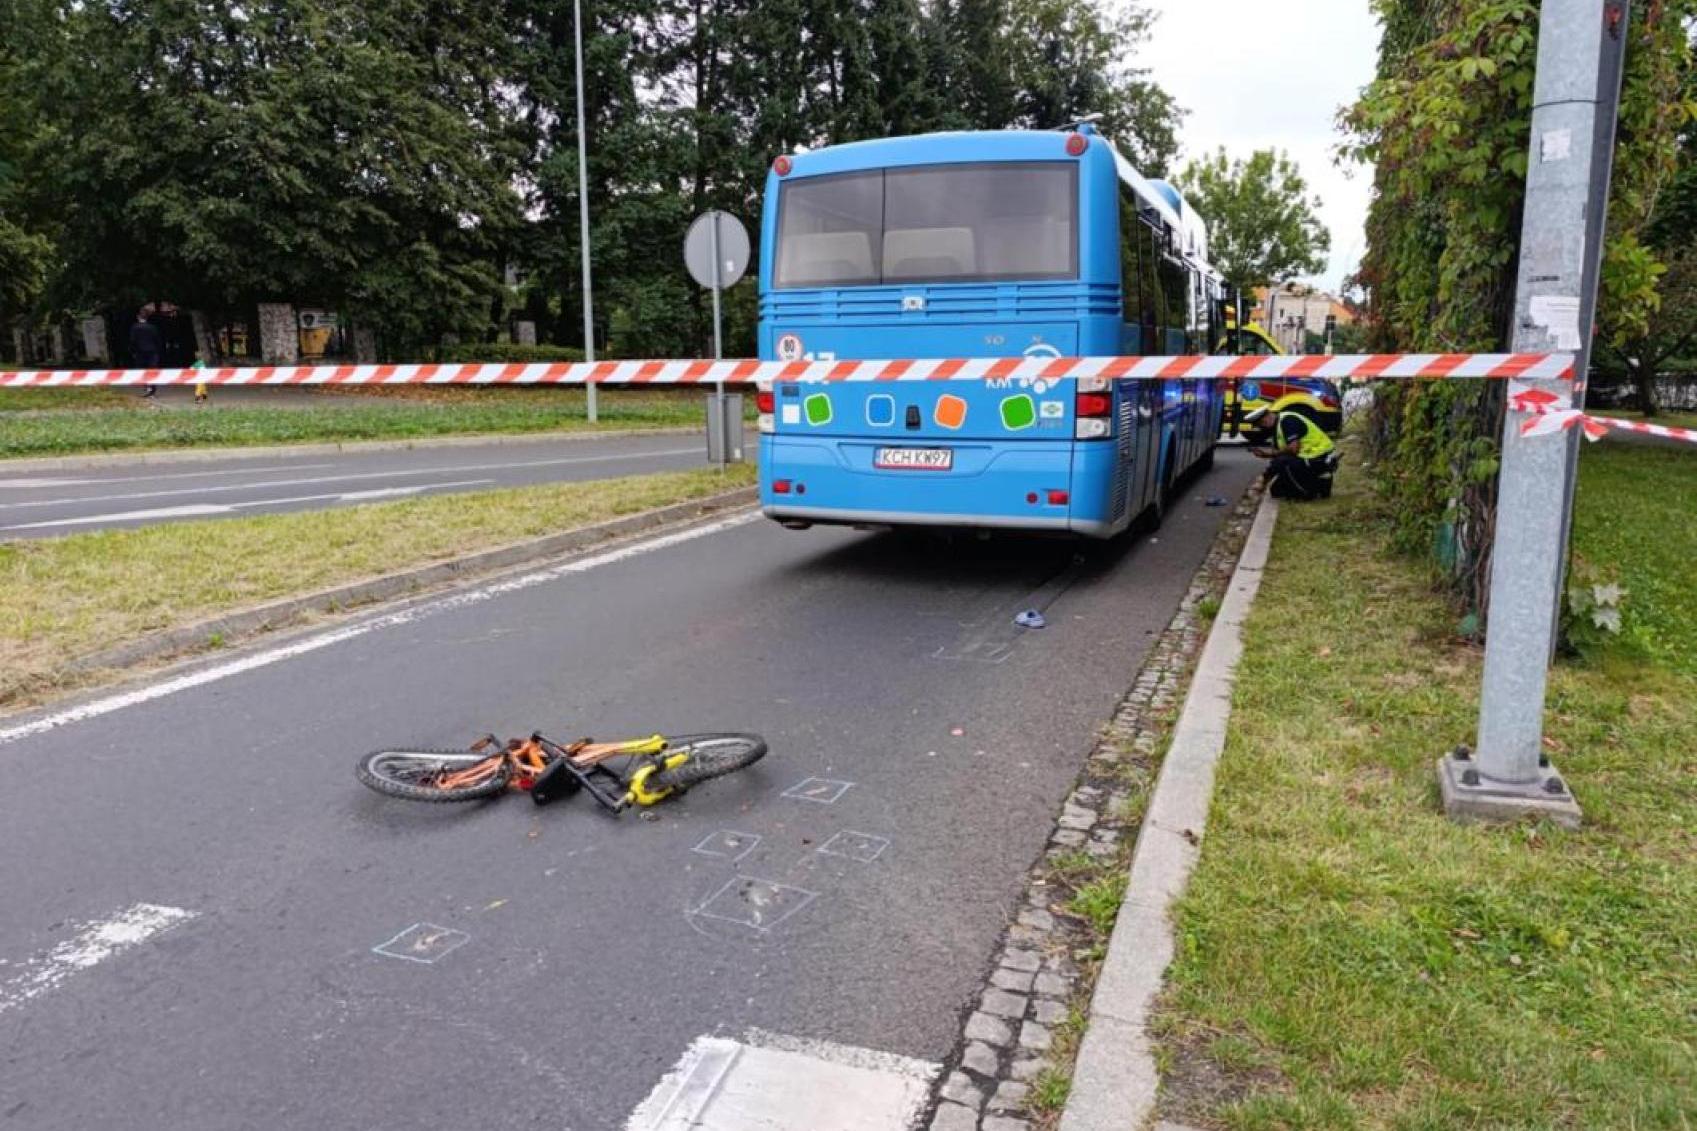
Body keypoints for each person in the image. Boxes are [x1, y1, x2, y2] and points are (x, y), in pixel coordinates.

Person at [1246, 406, 1337, 500]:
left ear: (1267, 418)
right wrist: (1267, 455)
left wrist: (1263, 479)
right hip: (1308, 458)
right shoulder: (1278, 426)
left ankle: (1312, 491)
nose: (1262, 428)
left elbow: (1293, 449)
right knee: (1276, 491)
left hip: (1319, 457)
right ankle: (1319, 486)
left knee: (1283, 462)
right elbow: (1281, 453)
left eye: (1262, 424)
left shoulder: (1288, 421)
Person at [127, 310, 162, 398]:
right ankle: (152, 390)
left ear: (138, 317)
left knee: (142, 371)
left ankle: (147, 388)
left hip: (140, 352)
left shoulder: (135, 327)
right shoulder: (152, 327)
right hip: (152, 352)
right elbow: (157, 340)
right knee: (152, 370)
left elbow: (132, 341)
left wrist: (132, 351)